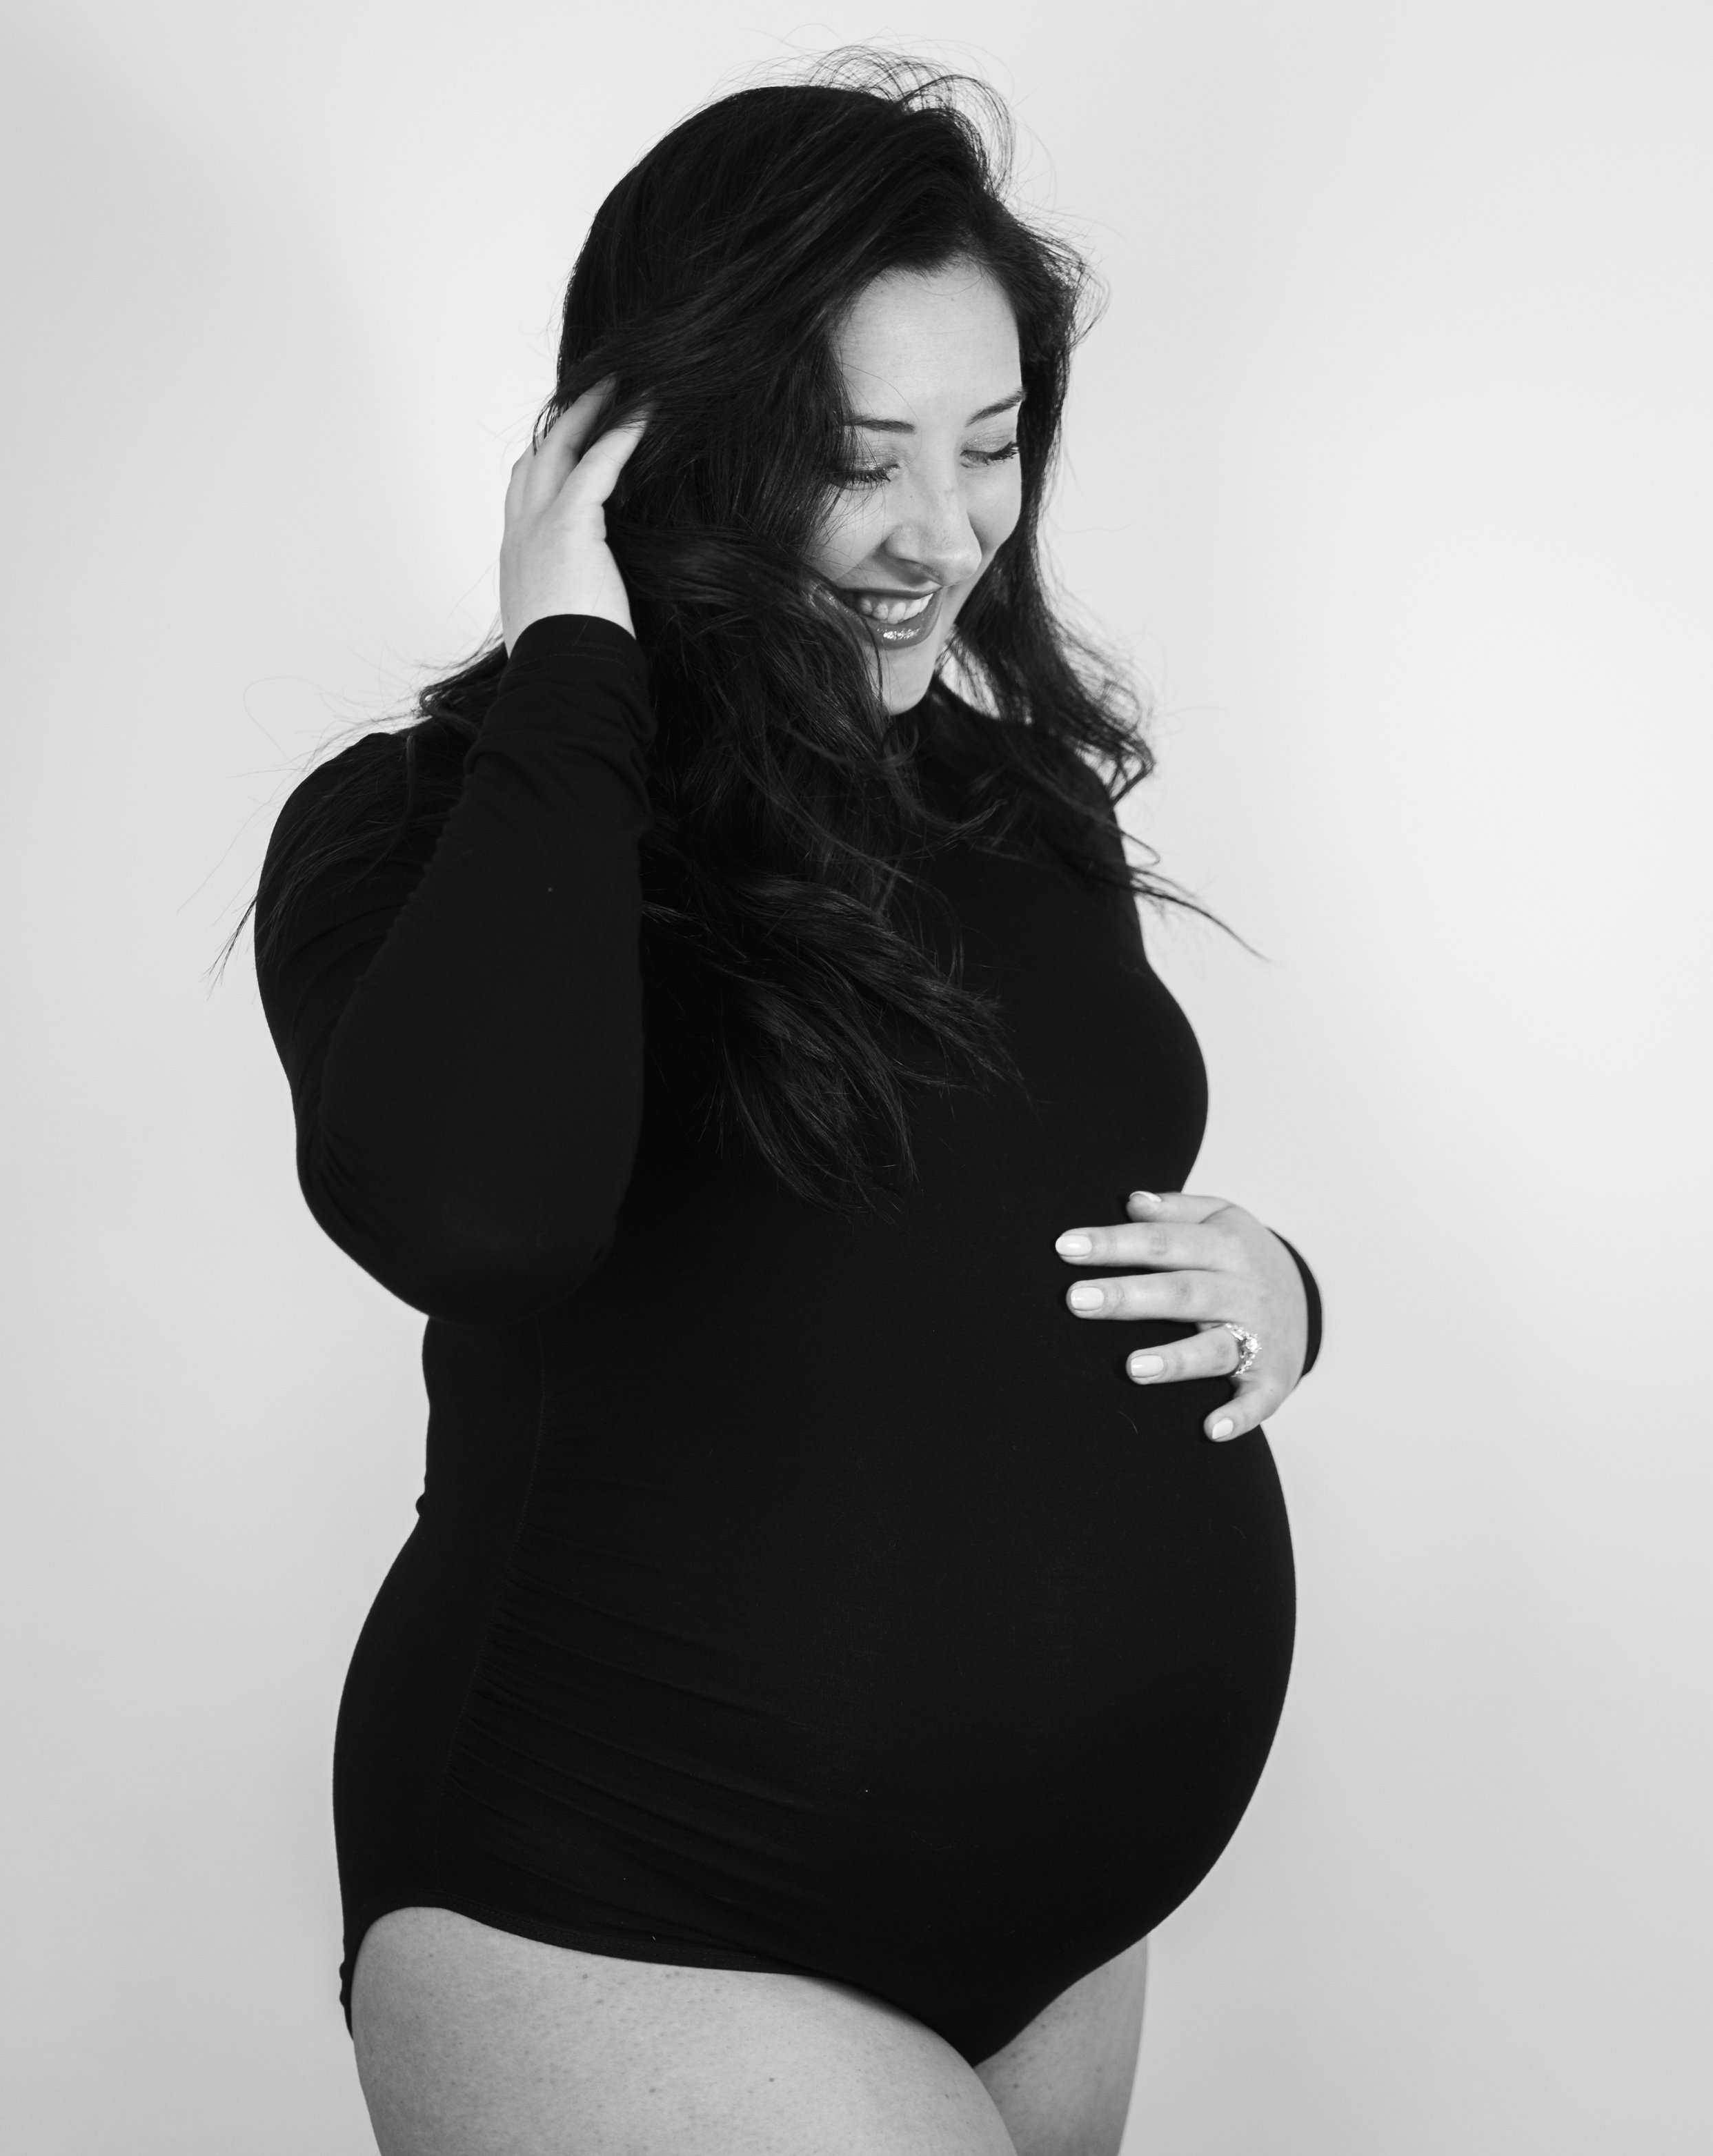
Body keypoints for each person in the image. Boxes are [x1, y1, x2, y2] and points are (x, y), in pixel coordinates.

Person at [253, 52, 1323, 2156]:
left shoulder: (1016, 804)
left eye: (990, 445)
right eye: (856, 461)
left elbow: (1007, 1202)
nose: (946, 533)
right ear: (656, 443)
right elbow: (475, 1214)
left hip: (1065, 1929)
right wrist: (574, 660)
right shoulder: (434, 825)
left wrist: (1279, 1285)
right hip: (622, 1905)